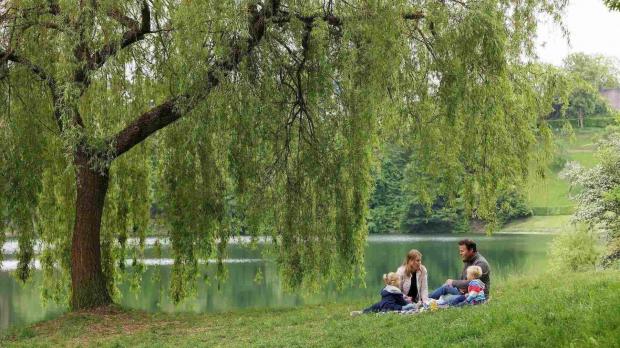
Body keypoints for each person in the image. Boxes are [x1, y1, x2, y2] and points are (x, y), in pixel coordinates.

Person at [428, 239, 491, 305]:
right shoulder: (468, 260)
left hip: (475, 297)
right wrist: (459, 287)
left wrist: (453, 282)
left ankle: (433, 304)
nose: (460, 253)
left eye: (462, 251)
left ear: (471, 250)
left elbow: (474, 283)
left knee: (446, 299)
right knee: (445, 287)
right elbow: (463, 279)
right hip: (465, 292)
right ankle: (423, 299)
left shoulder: (481, 263)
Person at [350, 272, 415, 315]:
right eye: (399, 280)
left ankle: (362, 312)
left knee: (373, 307)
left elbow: (391, 298)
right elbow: (402, 302)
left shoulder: (386, 289)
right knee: (410, 306)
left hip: (382, 304)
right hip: (391, 307)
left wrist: (404, 297)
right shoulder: (396, 291)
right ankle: (415, 305)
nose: (400, 281)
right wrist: (409, 302)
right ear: (393, 282)